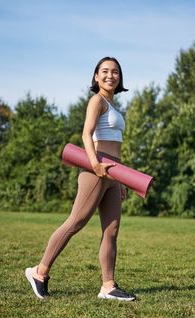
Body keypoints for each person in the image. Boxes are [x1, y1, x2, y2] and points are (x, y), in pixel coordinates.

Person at [25, 57, 136, 301]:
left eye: (115, 72)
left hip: (113, 173)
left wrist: (122, 179)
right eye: (104, 71)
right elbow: (86, 135)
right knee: (76, 221)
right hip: (96, 170)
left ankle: (108, 286)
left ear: (120, 77)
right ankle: (39, 272)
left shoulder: (113, 105)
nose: (110, 75)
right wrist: (95, 165)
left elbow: (116, 146)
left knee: (112, 230)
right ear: (96, 77)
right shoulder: (97, 100)